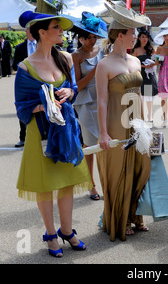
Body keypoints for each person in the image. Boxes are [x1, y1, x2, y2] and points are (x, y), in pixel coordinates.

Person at [14, 0, 92, 258]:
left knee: (68, 182)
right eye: (56, 28)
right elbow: (22, 108)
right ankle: (50, 234)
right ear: (41, 32)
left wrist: (68, 94)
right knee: (46, 185)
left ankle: (67, 231)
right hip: (41, 133)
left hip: (67, 129)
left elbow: (73, 89)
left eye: (60, 27)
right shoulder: (25, 67)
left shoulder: (66, 59)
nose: (62, 31)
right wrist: (44, 104)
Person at [96, 1, 152, 241]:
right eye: (132, 33)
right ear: (120, 35)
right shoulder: (104, 64)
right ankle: (120, 219)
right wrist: (102, 133)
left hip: (136, 121)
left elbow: (139, 93)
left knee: (141, 168)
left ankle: (135, 214)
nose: (137, 38)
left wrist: (146, 122)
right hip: (115, 123)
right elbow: (101, 101)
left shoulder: (136, 61)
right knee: (119, 172)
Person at [71, 11, 108, 201]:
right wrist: (95, 70)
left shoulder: (102, 51)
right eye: (89, 37)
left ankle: (106, 181)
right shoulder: (75, 56)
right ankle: (91, 184)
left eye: (95, 37)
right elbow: (77, 86)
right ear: (81, 37)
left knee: (105, 142)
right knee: (89, 143)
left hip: (102, 99)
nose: (92, 41)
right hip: (85, 102)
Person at [12, 27, 37, 148]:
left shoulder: (42, 45)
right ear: (26, 31)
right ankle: (23, 137)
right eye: (29, 29)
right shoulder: (19, 48)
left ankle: (44, 136)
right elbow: (15, 65)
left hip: (40, 81)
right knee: (24, 107)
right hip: (25, 83)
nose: (31, 31)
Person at [131, 27, 158, 122]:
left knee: (149, 96)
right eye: (142, 37)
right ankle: (141, 115)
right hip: (139, 74)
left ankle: (150, 115)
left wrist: (153, 64)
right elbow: (131, 63)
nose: (144, 39)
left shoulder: (151, 49)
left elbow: (157, 61)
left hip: (149, 75)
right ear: (139, 38)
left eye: (146, 37)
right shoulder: (135, 50)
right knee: (140, 96)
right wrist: (143, 66)